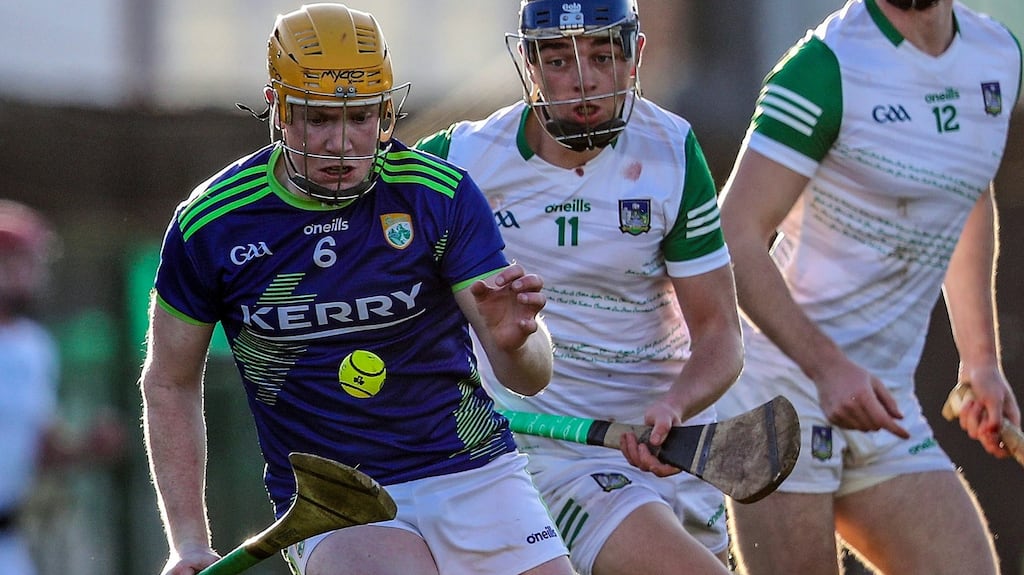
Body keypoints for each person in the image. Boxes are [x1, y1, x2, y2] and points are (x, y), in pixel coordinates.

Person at [138, 4, 575, 575]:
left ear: (386, 112)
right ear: (278, 109)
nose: (342, 143)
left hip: (473, 471)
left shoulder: (436, 195)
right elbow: (168, 381)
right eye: (318, 119)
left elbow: (529, 378)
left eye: (361, 117)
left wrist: (520, 341)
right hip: (333, 498)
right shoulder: (214, 223)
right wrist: (188, 541)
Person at [415, 1, 744, 574]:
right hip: (546, 450)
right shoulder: (461, 161)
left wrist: (674, 406)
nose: (584, 79)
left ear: (634, 56)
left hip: (663, 443)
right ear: (529, 64)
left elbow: (720, 335)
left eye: (601, 54)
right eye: (560, 59)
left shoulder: (671, 149)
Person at [715, 0, 1022, 573]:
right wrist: (828, 368)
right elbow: (732, 239)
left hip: (884, 403)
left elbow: (969, 191)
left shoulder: (998, 55)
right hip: (779, 393)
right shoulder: (825, 66)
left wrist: (981, 360)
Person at [0, 200, 126, 575]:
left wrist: (88, 446)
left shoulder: (34, 346)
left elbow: (38, 447)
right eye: (23, 261)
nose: (36, 274)